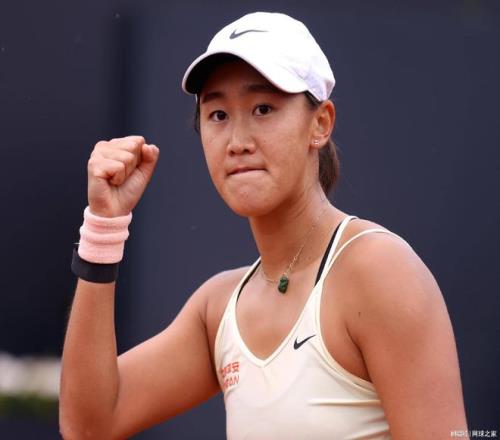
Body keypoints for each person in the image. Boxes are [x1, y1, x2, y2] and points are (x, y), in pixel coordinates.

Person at [59, 11, 468, 440]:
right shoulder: (217, 309)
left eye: (263, 108)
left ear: (320, 123)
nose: (237, 142)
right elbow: (89, 425)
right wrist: (104, 227)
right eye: (218, 114)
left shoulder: (380, 271)